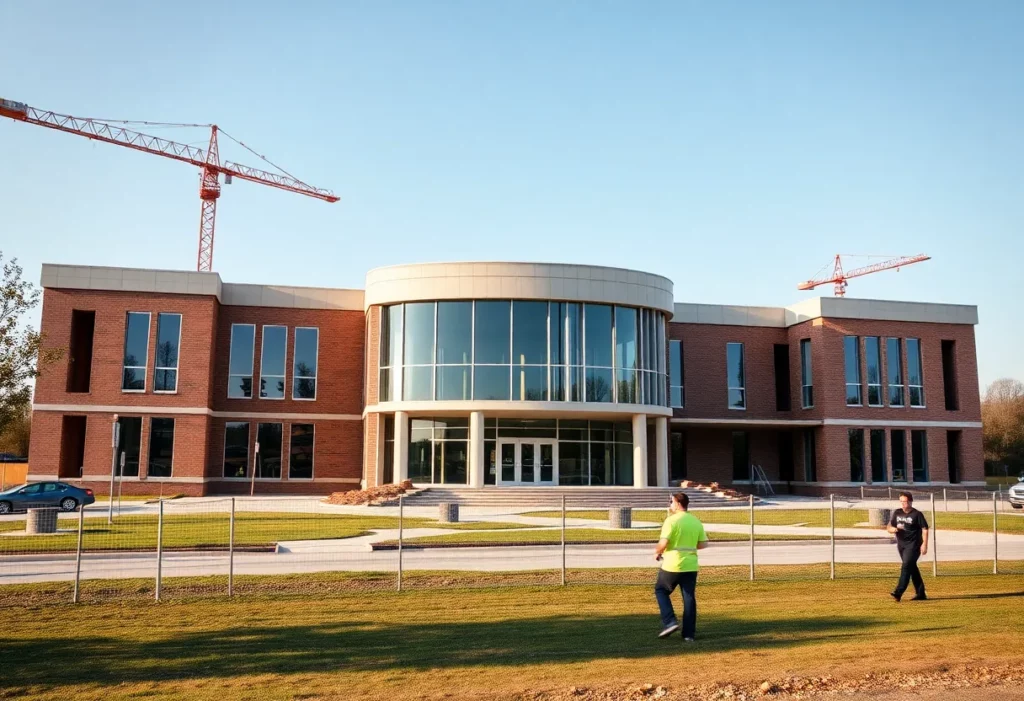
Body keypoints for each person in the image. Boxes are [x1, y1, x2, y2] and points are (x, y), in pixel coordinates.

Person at [654, 492, 709, 640]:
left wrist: (657, 552)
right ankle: (689, 635)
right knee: (689, 597)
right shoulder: (695, 521)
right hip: (691, 565)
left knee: (661, 590)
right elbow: (703, 544)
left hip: (673, 563)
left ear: (678, 503)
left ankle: (670, 621)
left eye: (671, 502)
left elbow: (663, 543)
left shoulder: (671, 521)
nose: (670, 505)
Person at [887, 491, 929, 602]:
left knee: (906, 566)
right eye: (901, 501)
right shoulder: (897, 512)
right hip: (901, 545)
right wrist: (893, 529)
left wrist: (924, 544)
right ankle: (921, 593)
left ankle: (898, 592)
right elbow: (889, 526)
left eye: (905, 501)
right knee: (911, 567)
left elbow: (925, 529)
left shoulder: (917, 514)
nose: (903, 504)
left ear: (910, 501)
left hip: (914, 545)